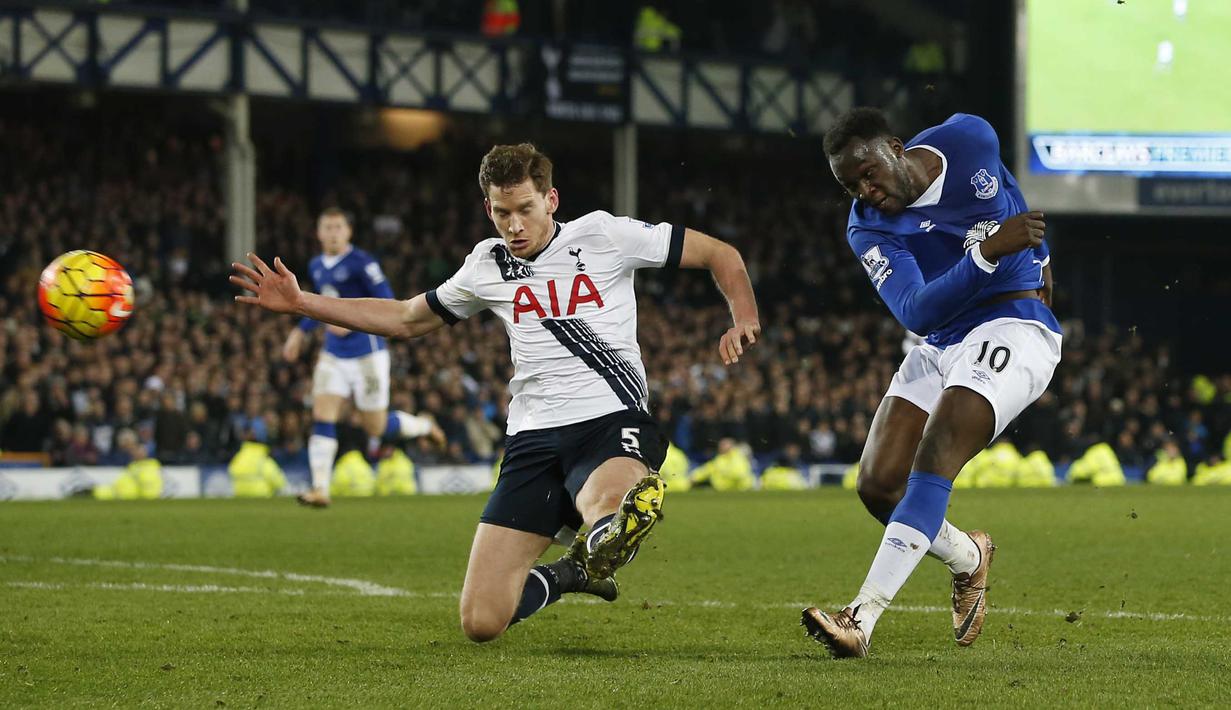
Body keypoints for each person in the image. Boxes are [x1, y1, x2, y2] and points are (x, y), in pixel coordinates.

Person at [232, 143, 760, 642]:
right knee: (482, 622)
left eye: (525, 209)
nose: (514, 225)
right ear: (489, 208)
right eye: (501, 213)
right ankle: (576, 572)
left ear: (551, 199)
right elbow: (405, 318)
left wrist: (743, 318)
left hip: (609, 420)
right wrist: (304, 304)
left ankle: (610, 529)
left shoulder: (605, 235)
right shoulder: (487, 264)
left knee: (617, 505)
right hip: (531, 439)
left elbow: (721, 254)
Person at [801, 108, 1062, 657]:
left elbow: (1011, 205)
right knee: (878, 485)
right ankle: (969, 556)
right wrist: (988, 252)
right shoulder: (865, 226)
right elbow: (916, 310)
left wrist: (1038, 262)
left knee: (935, 454)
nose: (865, 191)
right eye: (850, 185)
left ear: (897, 147)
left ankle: (860, 619)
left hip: (1015, 321)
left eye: (869, 172)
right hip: (941, 338)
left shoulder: (970, 138)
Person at [281, 207, 443, 507]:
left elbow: (388, 298)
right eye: (327, 227)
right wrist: (299, 333)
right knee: (322, 413)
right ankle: (319, 488)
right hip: (332, 353)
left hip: (367, 354)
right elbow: (316, 303)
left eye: (338, 227)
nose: (332, 232)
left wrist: (352, 320)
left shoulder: (362, 263)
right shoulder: (317, 264)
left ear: (348, 232)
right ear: (318, 233)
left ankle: (423, 425)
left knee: (375, 427)